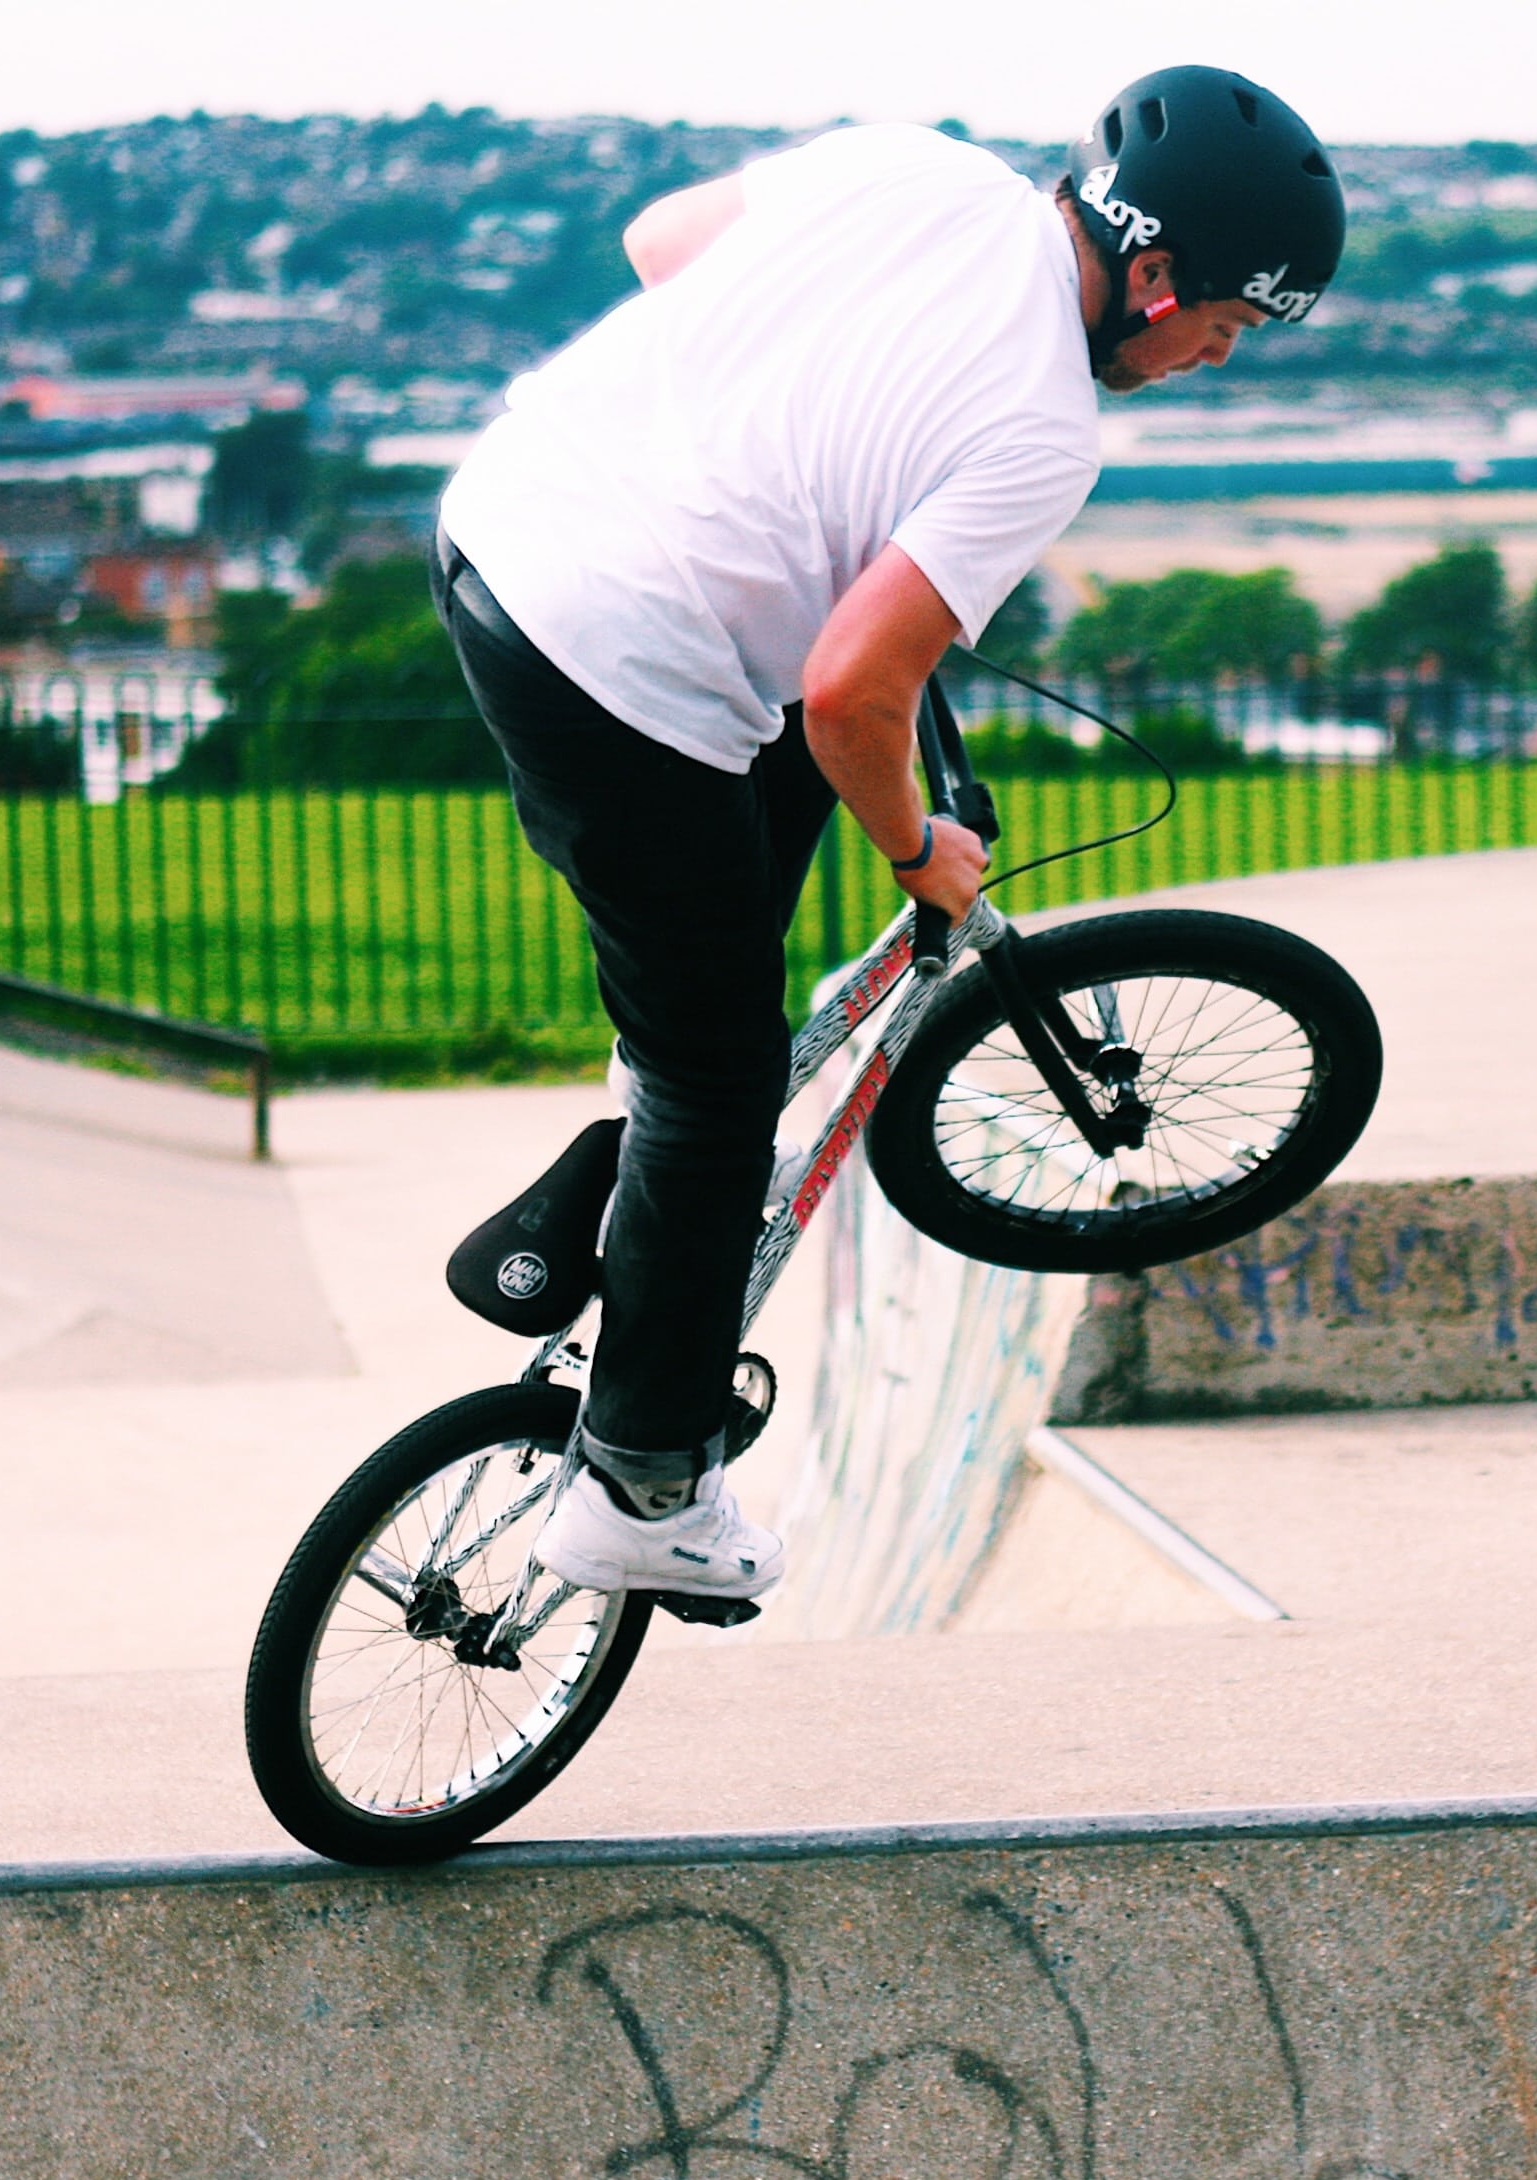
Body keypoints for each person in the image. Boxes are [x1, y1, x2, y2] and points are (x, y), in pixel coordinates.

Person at [432, 69, 1347, 1602]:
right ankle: (644, 1486)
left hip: (505, 516)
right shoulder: (1045, 427)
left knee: (749, 866)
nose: (1210, 361)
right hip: (614, 655)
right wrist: (920, 849)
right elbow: (857, 689)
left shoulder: (912, 168)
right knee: (718, 1082)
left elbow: (666, 244)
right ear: (1156, 275)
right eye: (1227, 329)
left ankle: (614, 1177)